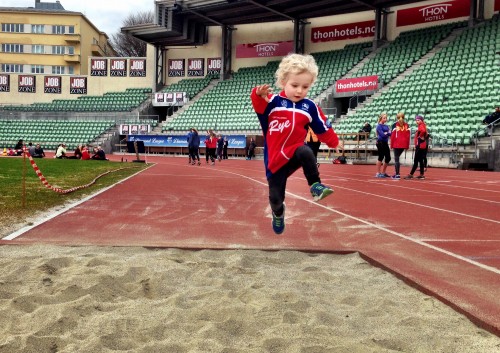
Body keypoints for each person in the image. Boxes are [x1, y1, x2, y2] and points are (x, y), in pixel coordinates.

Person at [251, 53, 339, 235]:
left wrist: (334, 142)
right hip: (275, 161)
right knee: (275, 199)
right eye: (295, 85)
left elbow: (322, 126)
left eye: (305, 87)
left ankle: (315, 185)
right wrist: (258, 95)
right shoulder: (272, 102)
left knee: (305, 151)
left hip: (294, 153)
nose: (299, 91)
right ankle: (278, 213)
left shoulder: (309, 107)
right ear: (283, 82)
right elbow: (258, 103)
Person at [404, 115, 428, 180]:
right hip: (422, 145)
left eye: (418, 120)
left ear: (421, 120)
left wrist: (419, 136)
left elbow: (423, 131)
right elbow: (425, 133)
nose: (417, 121)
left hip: (419, 145)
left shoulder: (421, 126)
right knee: (420, 160)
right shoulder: (423, 125)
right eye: (416, 120)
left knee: (416, 160)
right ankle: (422, 174)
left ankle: (411, 174)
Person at [390, 112, 410, 179]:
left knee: (396, 159)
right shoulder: (407, 125)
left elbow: (392, 136)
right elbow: (408, 136)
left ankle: (397, 174)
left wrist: (391, 145)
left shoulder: (394, 125)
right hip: (404, 144)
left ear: (397, 117)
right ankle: (396, 173)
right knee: (397, 157)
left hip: (397, 143)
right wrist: (407, 145)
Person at [375, 113, 391, 178]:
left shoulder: (386, 126)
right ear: (381, 118)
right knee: (381, 157)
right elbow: (382, 135)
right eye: (384, 118)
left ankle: (383, 172)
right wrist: (387, 133)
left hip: (385, 143)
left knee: (388, 158)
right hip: (380, 143)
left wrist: (387, 133)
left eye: (386, 118)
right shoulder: (379, 126)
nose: (385, 119)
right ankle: (378, 173)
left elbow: (391, 133)